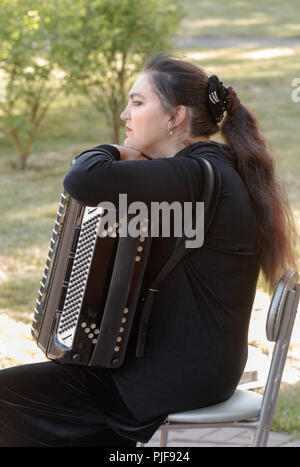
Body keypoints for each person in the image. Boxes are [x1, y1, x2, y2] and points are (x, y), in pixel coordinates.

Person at [0, 52, 296, 447]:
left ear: (175, 118)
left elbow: (84, 179)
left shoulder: (194, 173)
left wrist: (114, 151)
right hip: (197, 366)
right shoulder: (213, 167)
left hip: (171, 375)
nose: (126, 114)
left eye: (138, 103)